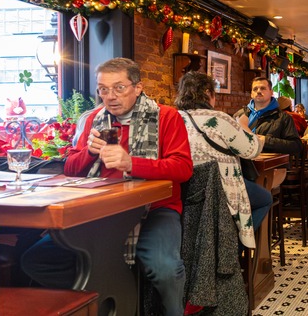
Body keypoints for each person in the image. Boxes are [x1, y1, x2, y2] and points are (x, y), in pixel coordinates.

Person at [22, 58, 193, 316]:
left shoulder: (167, 117)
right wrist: (89, 153)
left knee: (164, 267)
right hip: (101, 209)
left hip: (155, 208)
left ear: (138, 87)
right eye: (103, 89)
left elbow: (183, 168)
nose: (110, 97)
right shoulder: (93, 119)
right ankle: (100, 301)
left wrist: (132, 164)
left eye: (119, 88)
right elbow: (70, 168)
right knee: (36, 259)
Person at [175, 71, 270, 237]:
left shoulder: (173, 118)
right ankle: (234, 243)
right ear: (208, 94)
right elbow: (252, 149)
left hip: (185, 190)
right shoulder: (219, 118)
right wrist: (243, 125)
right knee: (265, 199)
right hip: (222, 188)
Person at [236, 77, 302, 155]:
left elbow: (296, 146)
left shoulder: (283, 118)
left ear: (271, 92)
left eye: (263, 88)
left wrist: (266, 141)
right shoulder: (239, 115)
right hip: (241, 163)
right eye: (255, 89)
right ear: (251, 94)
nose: (258, 91)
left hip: (271, 165)